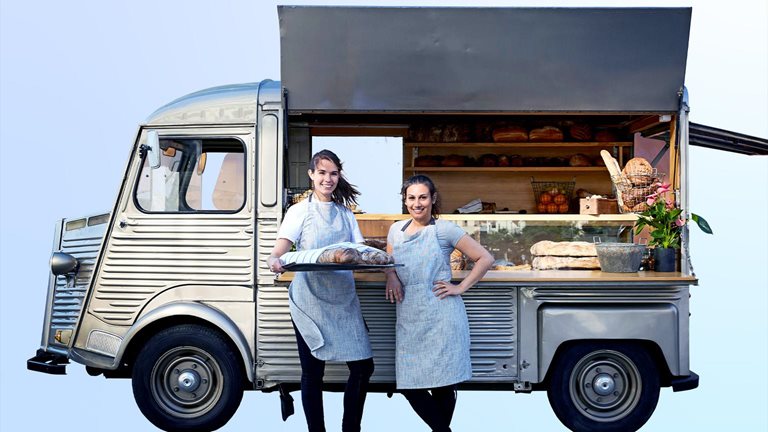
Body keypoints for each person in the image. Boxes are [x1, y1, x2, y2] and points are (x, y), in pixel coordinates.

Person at [267, 149, 374, 432]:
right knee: (313, 372)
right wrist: (274, 261)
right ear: (312, 174)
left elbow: (359, 251)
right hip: (310, 300)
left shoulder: (345, 214)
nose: (328, 179)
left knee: (364, 367)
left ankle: (351, 427)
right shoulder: (299, 211)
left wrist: (385, 266)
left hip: (343, 299)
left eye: (334, 173)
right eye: (323, 173)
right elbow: (280, 249)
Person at [385, 174, 494, 432]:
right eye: (411, 198)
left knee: (444, 384)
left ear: (433, 199)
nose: (417, 203)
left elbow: (485, 258)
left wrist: (460, 287)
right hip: (410, 315)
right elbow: (389, 261)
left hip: (442, 315)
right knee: (411, 386)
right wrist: (391, 277)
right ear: (405, 201)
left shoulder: (444, 229)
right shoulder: (395, 230)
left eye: (423, 197)